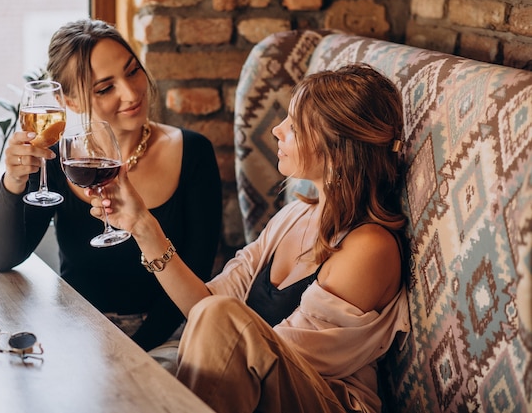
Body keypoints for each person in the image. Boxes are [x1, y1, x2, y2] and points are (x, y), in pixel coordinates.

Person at [87, 63, 411, 413]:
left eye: (295, 124)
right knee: (126, 372)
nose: (276, 130)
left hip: (323, 398)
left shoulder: (370, 248)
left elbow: (272, 352)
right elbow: (206, 309)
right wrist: (141, 224)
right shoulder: (294, 216)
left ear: (338, 146)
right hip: (245, 391)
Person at [0, 18, 223, 352]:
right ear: (71, 102)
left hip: (168, 339)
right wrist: (12, 182)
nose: (131, 92)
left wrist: (133, 353)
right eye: (105, 88)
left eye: (132, 71)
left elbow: (197, 273)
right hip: (76, 331)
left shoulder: (193, 152)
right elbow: (3, 257)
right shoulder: (58, 160)